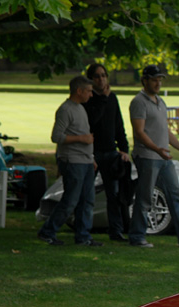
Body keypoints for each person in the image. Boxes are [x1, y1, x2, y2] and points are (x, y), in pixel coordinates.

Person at [128, 65, 179, 248]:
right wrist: (157, 149)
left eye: (160, 80)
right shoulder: (138, 102)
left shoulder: (160, 102)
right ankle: (137, 237)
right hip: (148, 156)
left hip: (163, 158)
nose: (158, 83)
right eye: (154, 79)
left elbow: (166, 131)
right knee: (145, 197)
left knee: (175, 195)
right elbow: (139, 132)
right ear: (145, 80)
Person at [39, 75, 100, 247]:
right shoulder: (66, 109)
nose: (91, 95)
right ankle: (47, 231)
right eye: (88, 91)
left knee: (87, 200)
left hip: (86, 161)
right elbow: (56, 136)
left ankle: (83, 236)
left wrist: (91, 158)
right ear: (79, 91)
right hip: (73, 161)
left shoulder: (80, 108)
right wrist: (81, 139)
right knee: (70, 200)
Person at [84, 63, 131, 242]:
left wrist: (124, 148)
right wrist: (103, 98)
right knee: (87, 194)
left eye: (104, 75)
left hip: (111, 152)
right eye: (97, 76)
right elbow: (92, 121)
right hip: (93, 153)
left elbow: (118, 124)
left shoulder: (112, 98)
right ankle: (84, 232)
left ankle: (116, 231)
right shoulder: (88, 98)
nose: (101, 79)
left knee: (115, 195)